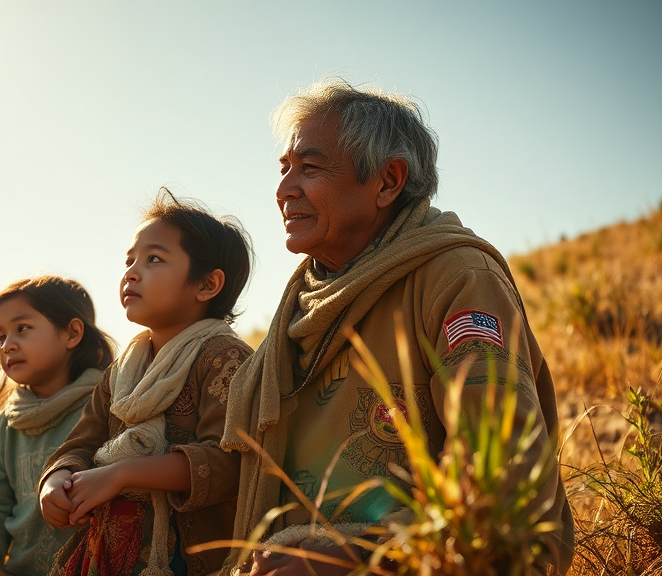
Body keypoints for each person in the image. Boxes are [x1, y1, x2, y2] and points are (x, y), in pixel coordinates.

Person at [220, 79, 575, 575]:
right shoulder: (302, 305)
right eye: (285, 169)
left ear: (387, 181)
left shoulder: (458, 277)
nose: (284, 190)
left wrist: (354, 558)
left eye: (310, 168)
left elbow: (502, 470)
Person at [39, 191, 254, 576]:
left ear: (207, 284)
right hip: (114, 553)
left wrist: (121, 473)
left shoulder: (223, 358)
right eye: (129, 261)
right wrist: (56, 480)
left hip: (191, 560)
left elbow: (228, 462)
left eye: (153, 259)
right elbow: (81, 444)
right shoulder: (121, 372)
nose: (131, 273)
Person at [0, 276, 115, 576]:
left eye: (22, 328)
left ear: (72, 333)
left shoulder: (108, 405)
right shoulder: (4, 426)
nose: (8, 345)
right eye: (0, 337)